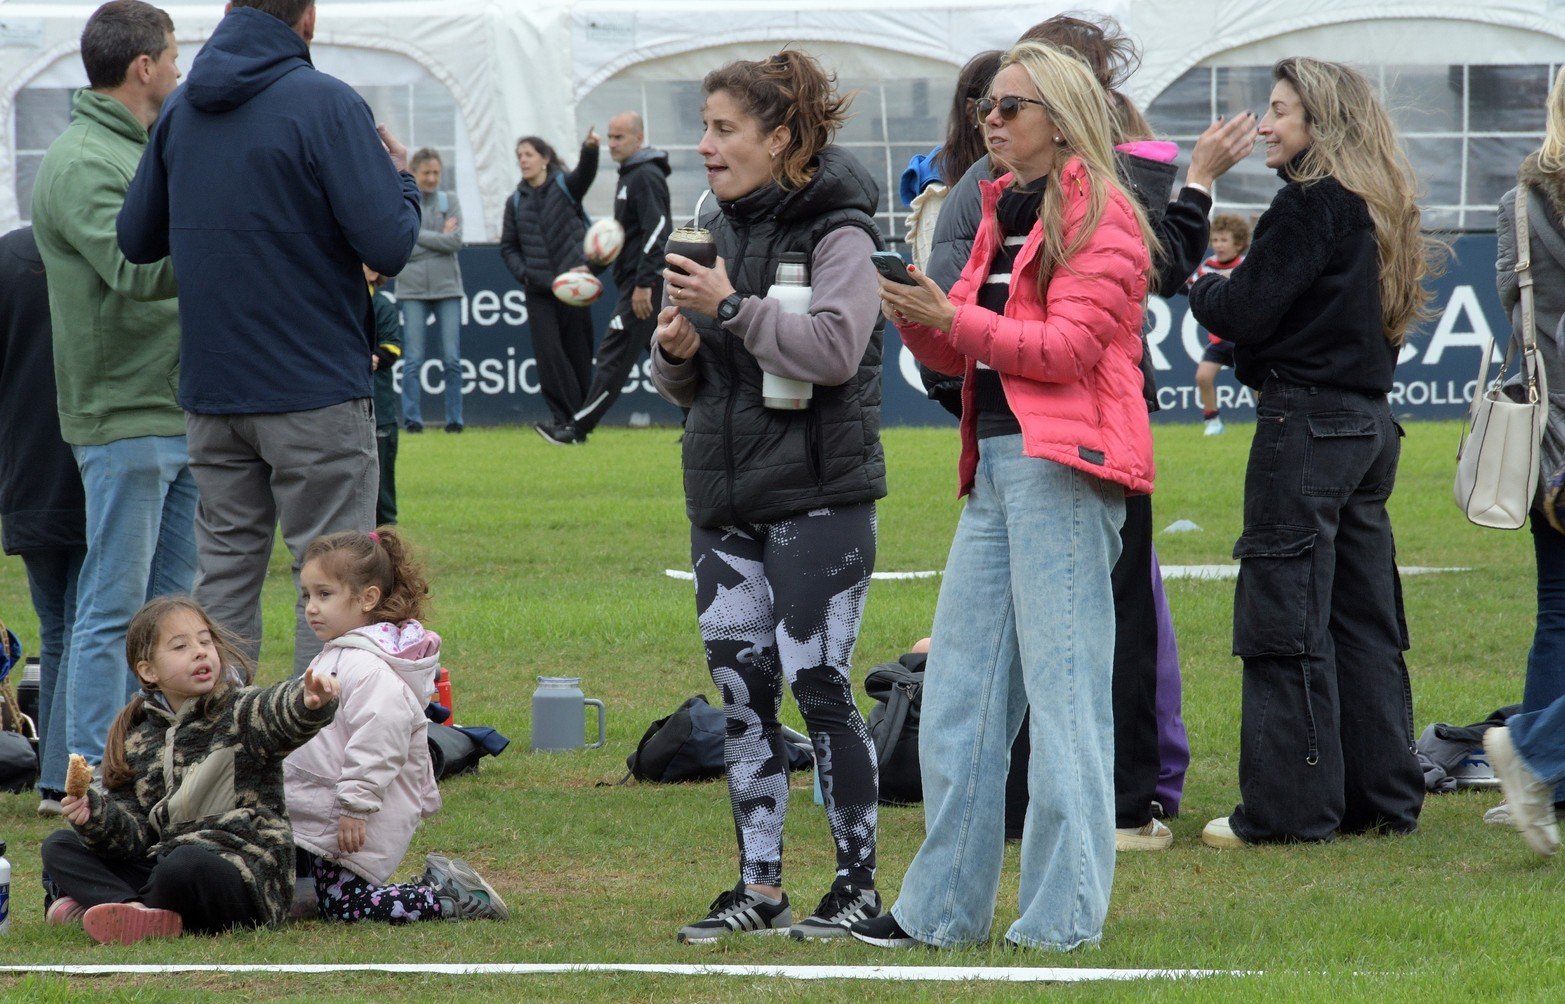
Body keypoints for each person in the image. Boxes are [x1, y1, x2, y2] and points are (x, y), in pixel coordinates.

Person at [851, 39, 1156, 951]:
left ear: (1060, 120)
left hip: (1062, 471)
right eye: (987, 103)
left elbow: (1065, 351)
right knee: (957, 702)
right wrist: (916, 315)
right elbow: (962, 345)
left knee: (1065, 709)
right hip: (991, 467)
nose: (990, 117)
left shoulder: (1104, 214)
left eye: (1010, 106)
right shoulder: (999, 205)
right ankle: (940, 913)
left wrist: (952, 316)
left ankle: (1061, 920)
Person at [652, 49, 887, 944]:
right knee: (741, 698)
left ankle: (856, 886)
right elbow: (700, 385)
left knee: (819, 687)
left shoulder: (841, 232)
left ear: (780, 138)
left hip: (818, 498)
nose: (704, 146)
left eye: (724, 129)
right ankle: (760, 887)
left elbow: (831, 350)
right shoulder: (713, 224)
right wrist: (676, 351)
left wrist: (729, 305)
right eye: (704, 127)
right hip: (724, 501)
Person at [117, 0, 423, 676]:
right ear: (307, 19)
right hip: (314, 387)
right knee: (333, 579)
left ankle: (215, 733)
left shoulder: (182, 107)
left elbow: (135, 238)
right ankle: (321, 737)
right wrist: (401, 180)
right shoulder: (328, 104)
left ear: (230, 9)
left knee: (224, 575)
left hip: (215, 391)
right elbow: (389, 245)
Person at [1189, 57, 1437, 848]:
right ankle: (1381, 797)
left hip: (1305, 425)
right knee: (1363, 620)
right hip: (1367, 427)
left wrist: (1200, 284)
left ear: (1318, 122)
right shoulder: (1377, 203)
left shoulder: (1308, 202)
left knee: (1284, 615)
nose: (1263, 125)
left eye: (1277, 110)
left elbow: (1245, 310)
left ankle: (1289, 812)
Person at [31, 0, 195, 774]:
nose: (180, 72)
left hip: (173, 407)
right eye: (174, 57)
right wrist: (230, 247)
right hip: (125, 416)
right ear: (143, 66)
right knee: (112, 609)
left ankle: (148, 765)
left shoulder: (139, 150)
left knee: (169, 615)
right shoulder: (83, 162)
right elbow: (134, 270)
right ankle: (87, 776)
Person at [40, 596, 339, 945]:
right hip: (165, 865)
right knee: (59, 845)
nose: (200, 652)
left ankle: (103, 903)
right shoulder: (136, 739)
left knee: (183, 866)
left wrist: (307, 701)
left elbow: (278, 709)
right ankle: (133, 910)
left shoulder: (241, 712)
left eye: (205, 641)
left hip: (239, 873)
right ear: (148, 671)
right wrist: (95, 816)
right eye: (181, 646)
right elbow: (133, 837)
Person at [285, 529, 508, 921]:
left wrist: (355, 806)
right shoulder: (340, 653)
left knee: (348, 907)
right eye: (307, 596)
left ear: (367, 598)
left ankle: (448, 896)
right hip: (328, 805)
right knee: (321, 899)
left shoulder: (369, 668)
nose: (311, 608)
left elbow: (380, 742)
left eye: (324, 594)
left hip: (354, 813)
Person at [1480, 65, 1565, 858]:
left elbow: (1520, 312)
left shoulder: (1518, 203)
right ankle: (1536, 755)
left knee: (1558, 611)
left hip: (1545, 436)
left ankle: (1539, 775)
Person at [0, 226, 87, 816]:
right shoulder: (104, 247)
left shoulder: (10, 256)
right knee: (86, 626)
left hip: (25, 468)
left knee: (60, 629)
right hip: (89, 458)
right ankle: (65, 776)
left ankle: (56, 775)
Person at [554, 112, 672, 444]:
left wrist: (644, 283)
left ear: (639, 138)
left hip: (643, 286)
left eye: (619, 137)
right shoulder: (630, 175)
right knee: (671, 354)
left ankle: (578, 428)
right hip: (637, 282)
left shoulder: (645, 176)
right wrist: (591, 268)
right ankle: (699, 418)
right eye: (610, 137)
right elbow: (623, 237)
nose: (612, 144)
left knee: (613, 356)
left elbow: (658, 231)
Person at [499, 132, 601, 445]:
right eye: (519, 156)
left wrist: (590, 150)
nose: (523, 160)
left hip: (574, 287)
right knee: (549, 354)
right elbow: (508, 246)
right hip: (540, 292)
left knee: (579, 354)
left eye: (528, 154)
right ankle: (562, 420)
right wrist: (526, 274)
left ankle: (579, 423)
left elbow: (585, 174)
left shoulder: (565, 186)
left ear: (545, 159)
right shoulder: (515, 201)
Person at [396, 148, 465, 434]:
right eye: (426, 173)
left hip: (447, 288)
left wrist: (419, 238)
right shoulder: (402, 199)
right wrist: (439, 240)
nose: (432, 178)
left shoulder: (451, 200)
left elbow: (456, 241)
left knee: (452, 359)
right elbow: (402, 244)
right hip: (412, 290)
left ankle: (455, 421)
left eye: (436, 173)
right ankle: (412, 419)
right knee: (413, 359)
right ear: (414, 172)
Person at [1190, 214, 1251, 435]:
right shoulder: (1207, 267)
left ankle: (1265, 419)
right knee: (1203, 377)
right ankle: (1213, 422)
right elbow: (1191, 286)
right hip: (1218, 339)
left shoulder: (1246, 266)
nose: (1218, 245)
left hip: (1243, 339)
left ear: (1239, 243)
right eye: (1215, 240)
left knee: (1255, 383)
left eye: (1224, 240)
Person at [366, 266, 403, 525]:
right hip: (342, 412)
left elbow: (392, 349)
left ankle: (388, 541)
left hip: (380, 411)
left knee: (382, 491)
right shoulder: (340, 303)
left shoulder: (382, 306)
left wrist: (371, 358)